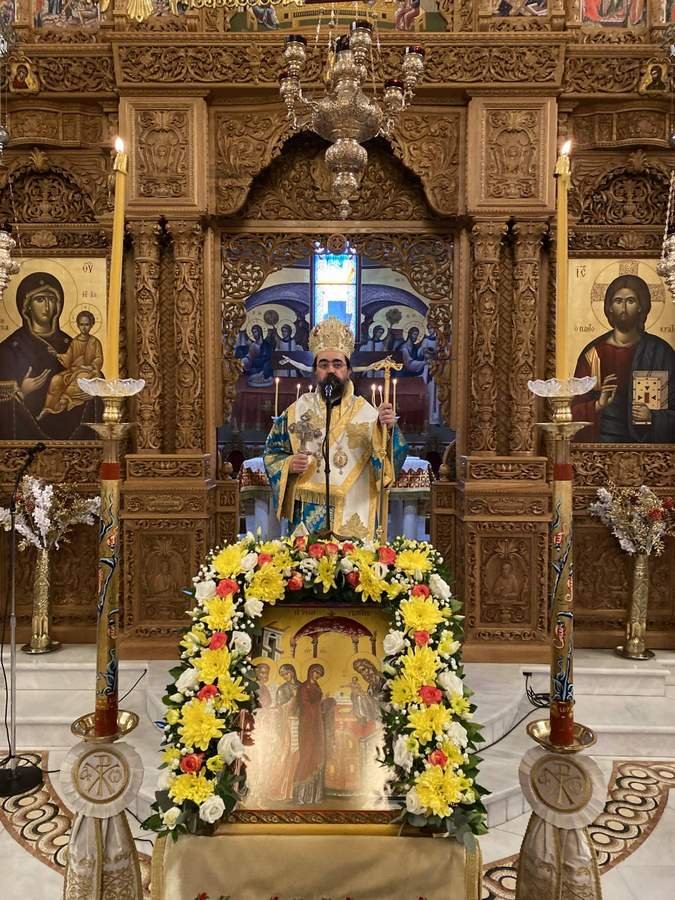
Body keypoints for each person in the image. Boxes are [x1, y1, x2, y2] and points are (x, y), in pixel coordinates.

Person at [263, 317, 408, 539]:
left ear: (348, 370)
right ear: (315, 370)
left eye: (337, 364)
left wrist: (388, 430)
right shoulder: (296, 411)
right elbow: (272, 453)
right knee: (306, 560)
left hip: (354, 504)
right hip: (308, 511)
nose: (331, 370)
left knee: (352, 562)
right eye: (324, 364)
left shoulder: (368, 414)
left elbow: (390, 461)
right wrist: (289, 464)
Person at [571, 275, 675, 443]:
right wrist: (598, 405)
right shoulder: (594, 353)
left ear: (641, 306)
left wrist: (653, 417)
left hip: (648, 448)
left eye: (631, 301)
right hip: (602, 446)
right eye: (618, 301)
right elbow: (573, 412)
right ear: (610, 307)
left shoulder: (661, 352)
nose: (624, 308)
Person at [0, 272, 93, 439]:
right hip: (21, 440)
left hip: (70, 433)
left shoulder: (71, 344)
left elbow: (92, 379)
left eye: (51, 299)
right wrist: (22, 391)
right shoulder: (9, 348)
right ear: (26, 305)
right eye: (40, 299)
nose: (47, 307)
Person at [39, 310, 103, 419]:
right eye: (81, 324)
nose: (84, 328)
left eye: (87, 324)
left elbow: (99, 358)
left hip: (89, 372)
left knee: (79, 380)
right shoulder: (75, 341)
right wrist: (56, 355)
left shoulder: (94, 342)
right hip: (74, 370)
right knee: (56, 379)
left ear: (92, 325)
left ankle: (65, 400)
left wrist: (91, 366)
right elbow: (69, 358)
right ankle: (49, 408)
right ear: (77, 325)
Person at [293, 663, 329, 805]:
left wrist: (324, 705)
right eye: (315, 672)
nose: (317, 676)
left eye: (319, 674)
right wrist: (318, 708)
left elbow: (317, 703)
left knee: (316, 752)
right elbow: (304, 704)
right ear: (310, 672)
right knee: (307, 754)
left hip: (317, 724)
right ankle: (301, 796)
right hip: (307, 724)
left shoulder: (316, 686)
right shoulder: (304, 687)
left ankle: (314, 796)